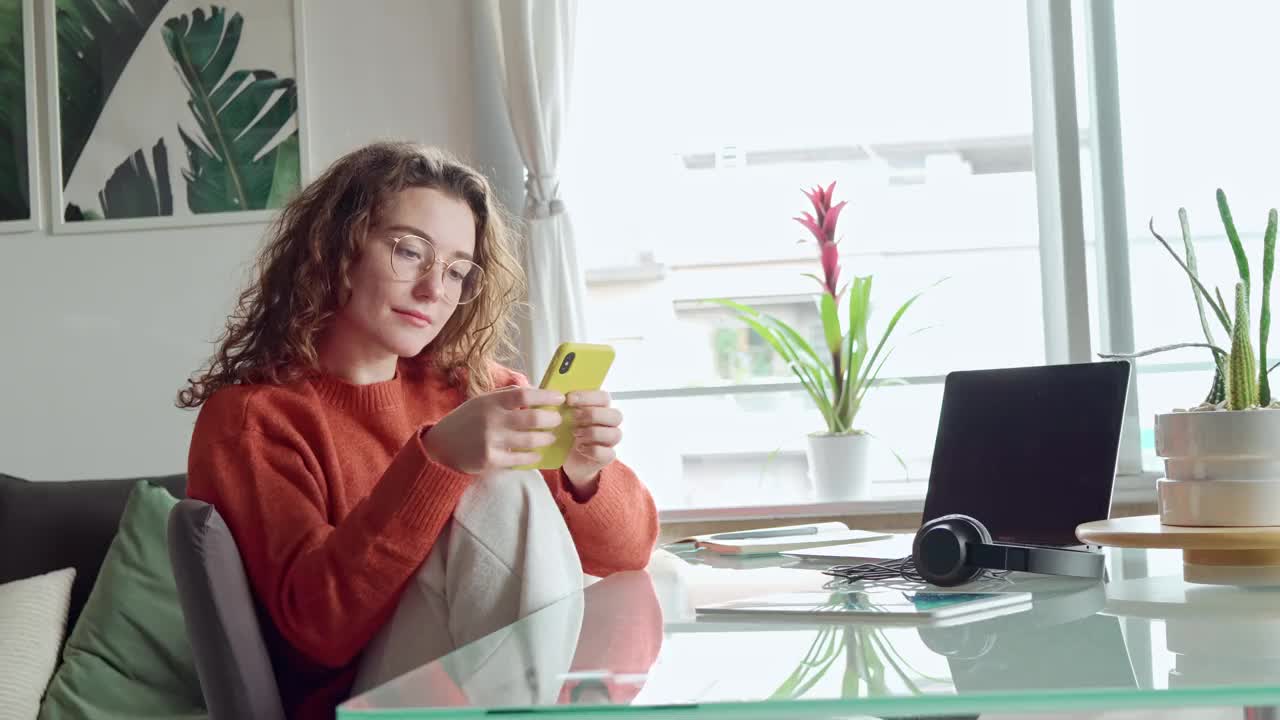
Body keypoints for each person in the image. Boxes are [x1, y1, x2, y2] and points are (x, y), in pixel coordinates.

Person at [178, 141, 659, 719]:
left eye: (457, 271)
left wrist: (586, 473)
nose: (435, 289)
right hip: (359, 703)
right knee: (500, 484)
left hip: (479, 687)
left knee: (534, 501)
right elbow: (318, 631)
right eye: (409, 251)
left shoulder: (477, 387)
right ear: (336, 250)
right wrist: (438, 460)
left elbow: (629, 556)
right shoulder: (255, 419)